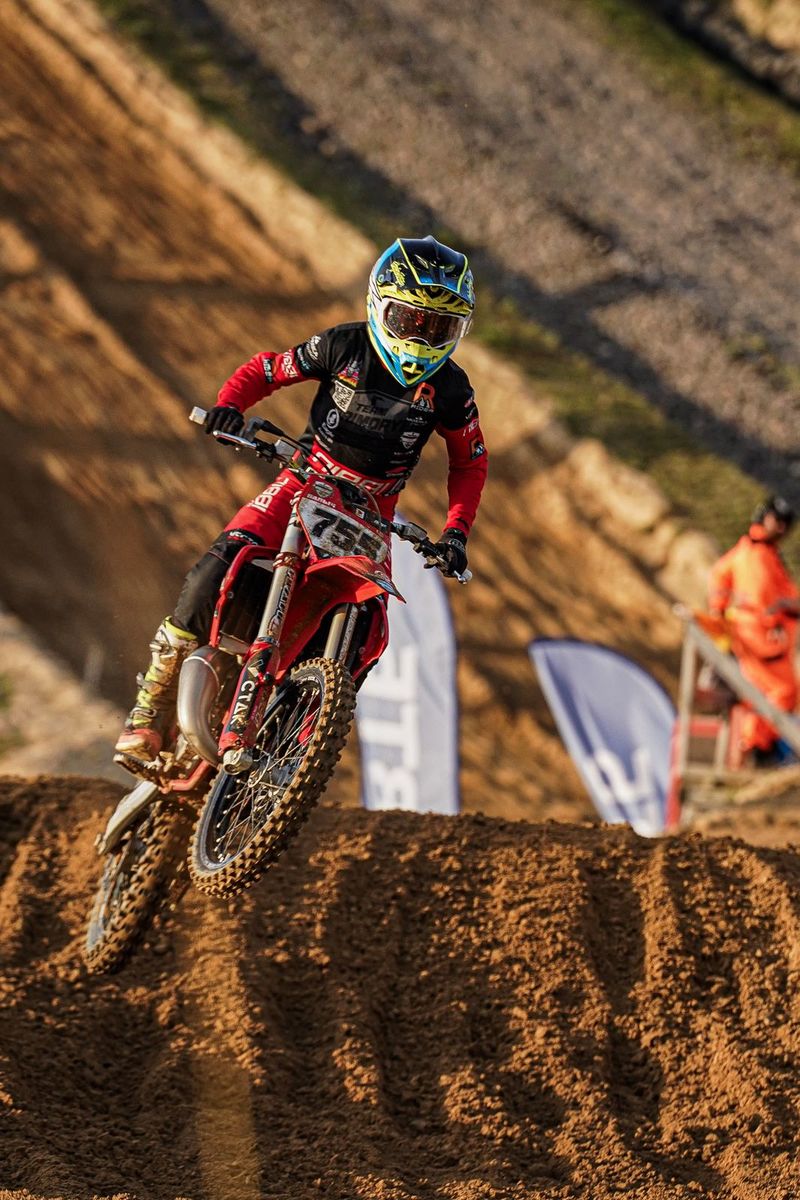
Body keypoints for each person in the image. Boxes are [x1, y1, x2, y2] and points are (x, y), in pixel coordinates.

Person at [114, 236, 488, 772]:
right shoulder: (343, 345)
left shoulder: (451, 388)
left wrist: (456, 532)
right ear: (380, 305)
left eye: (440, 327)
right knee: (214, 569)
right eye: (411, 321)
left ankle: (295, 740)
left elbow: (470, 461)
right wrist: (229, 406)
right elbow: (268, 370)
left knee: (367, 626)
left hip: (372, 510)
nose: (423, 338)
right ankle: (148, 709)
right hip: (304, 480)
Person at [707, 495, 799, 766]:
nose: (779, 528)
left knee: (766, 695)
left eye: (784, 523)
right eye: (776, 520)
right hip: (758, 640)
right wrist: (719, 613)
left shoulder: (766, 554)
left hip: (769, 640)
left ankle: (756, 746)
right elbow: (722, 580)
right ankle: (756, 746)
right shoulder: (750, 553)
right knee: (782, 691)